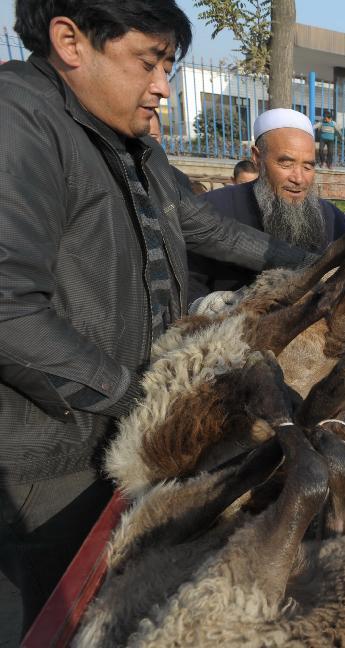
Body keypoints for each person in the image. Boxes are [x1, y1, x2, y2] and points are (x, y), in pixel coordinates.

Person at [0, 1, 313, 634]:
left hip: (107, 435)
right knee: (44, 611)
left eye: (169, 65)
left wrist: (309, 265)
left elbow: (198, 224)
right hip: (44, 458)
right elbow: (7, 309)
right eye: (151, 62)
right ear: (71, 41)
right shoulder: (18, 124)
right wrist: (142, 397)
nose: (163, 87)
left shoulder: (123, 139)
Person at [189, 108, 345, 299]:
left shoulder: (335, 221)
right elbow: (189, 290)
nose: (299, 178)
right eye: (286, 164)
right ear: (257, 158)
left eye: (308, 166)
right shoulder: (212, 209)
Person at [148, 107, 193, 193]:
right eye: (141, 137)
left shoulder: (179, 179)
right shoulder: (118, 178)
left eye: (153, 137)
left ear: (161, 137)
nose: (147, 143)